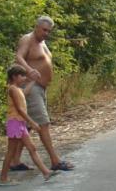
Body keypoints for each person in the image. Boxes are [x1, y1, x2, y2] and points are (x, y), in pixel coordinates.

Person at [8, 15, 75, 172]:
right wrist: (29, 70)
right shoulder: (28, 39)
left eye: (49, 31)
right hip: (32, 88)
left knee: (27, 126)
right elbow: (18, 56)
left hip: (40, 88)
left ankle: (15, 161)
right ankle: (55, 160)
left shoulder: (42, 42)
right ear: (36, 27)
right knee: (43, 123)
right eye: (44, 30)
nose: (46, 33)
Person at [0, 65, 54, 186]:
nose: (24, 78)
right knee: (11, 152)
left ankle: (46, 172)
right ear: (14, 76)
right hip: (15, 122)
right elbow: (19, 109)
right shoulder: (12, 89)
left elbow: (24, 93)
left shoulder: (17, 89)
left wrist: (34, 81)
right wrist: (32, 122)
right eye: (22, 76)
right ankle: (3, 178)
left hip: (20, 123)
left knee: (32, 148)